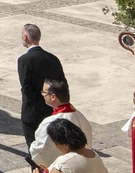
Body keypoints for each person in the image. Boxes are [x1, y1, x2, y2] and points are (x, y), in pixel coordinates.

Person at [20, 24, 67, 158]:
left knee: (35, 152)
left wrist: (40, 106)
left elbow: (27, 88)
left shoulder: (24, 60)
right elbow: (63, 85)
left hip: (33, 114)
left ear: (25, 37)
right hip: (53, 110)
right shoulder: (53, 58)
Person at [32, 79, 94, 170]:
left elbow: (39, 148)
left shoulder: (51, 122)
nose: (43, 96)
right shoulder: (80, 116)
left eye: (44, 93)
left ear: (53, 97)